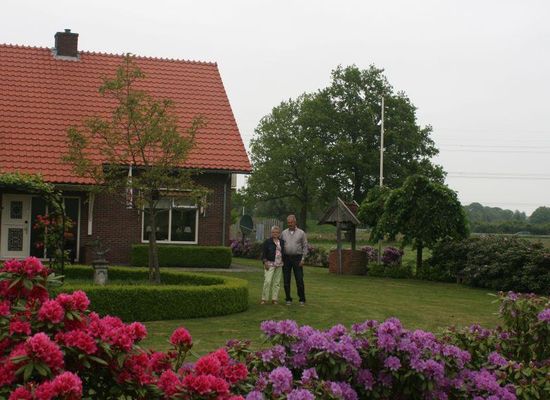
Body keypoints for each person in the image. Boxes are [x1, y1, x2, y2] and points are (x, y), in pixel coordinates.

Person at [280, 214, 308, 305]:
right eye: (288, 222)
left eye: (291, 222)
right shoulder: (283, 233)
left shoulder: (301, 233)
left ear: (295, 222)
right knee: (286, 280)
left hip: (297, 258)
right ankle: (288, 299)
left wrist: (303, 259)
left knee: (299, 280)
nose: (290, 224)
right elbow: (280, 246)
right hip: (286, 258)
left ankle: (302, 299)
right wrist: (280, 258)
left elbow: (305, 246)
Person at [260, 225, 285, 305]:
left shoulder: (282, 242)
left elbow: (283, 252)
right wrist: (265, 262)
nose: (275, 234)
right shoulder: (267, 242)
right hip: (269, 264)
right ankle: (264, 299)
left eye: (277, 232)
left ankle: (274, 299)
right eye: (273, 232)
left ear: (279, 233)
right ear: (271, 233)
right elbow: (263, 253)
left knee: (276, 282)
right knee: (267, 281)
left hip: (279, 264)